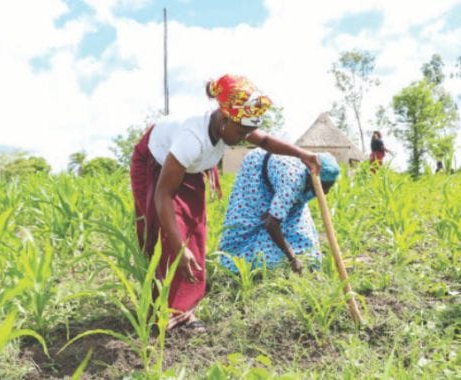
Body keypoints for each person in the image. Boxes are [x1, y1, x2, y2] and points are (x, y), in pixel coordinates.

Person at [130, 74, 320, 332]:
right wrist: (177, 245)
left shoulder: (233, 124)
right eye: (241, 131)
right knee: (167, 236)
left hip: (190, 169)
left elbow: (264, 141)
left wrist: (302, 154)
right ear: (223, 119)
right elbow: (162, 195)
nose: (245, 137)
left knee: (193, 235)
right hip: (156, 163)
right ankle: (163, 312)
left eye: (248, 131)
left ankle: (184, 311)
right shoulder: (192, 138)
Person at [219, 149, 340, 274]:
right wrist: (292, 258)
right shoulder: (293, 182)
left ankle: (309, 265)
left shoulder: (309, 177)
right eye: (324, 186)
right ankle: (243, 266)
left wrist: (276, 211)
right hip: (258, 170)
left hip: (281, 177)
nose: (326, 192)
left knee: (300, 227)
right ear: (311, 177)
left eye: (330, 186)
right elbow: (271, 224)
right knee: (255, 220)